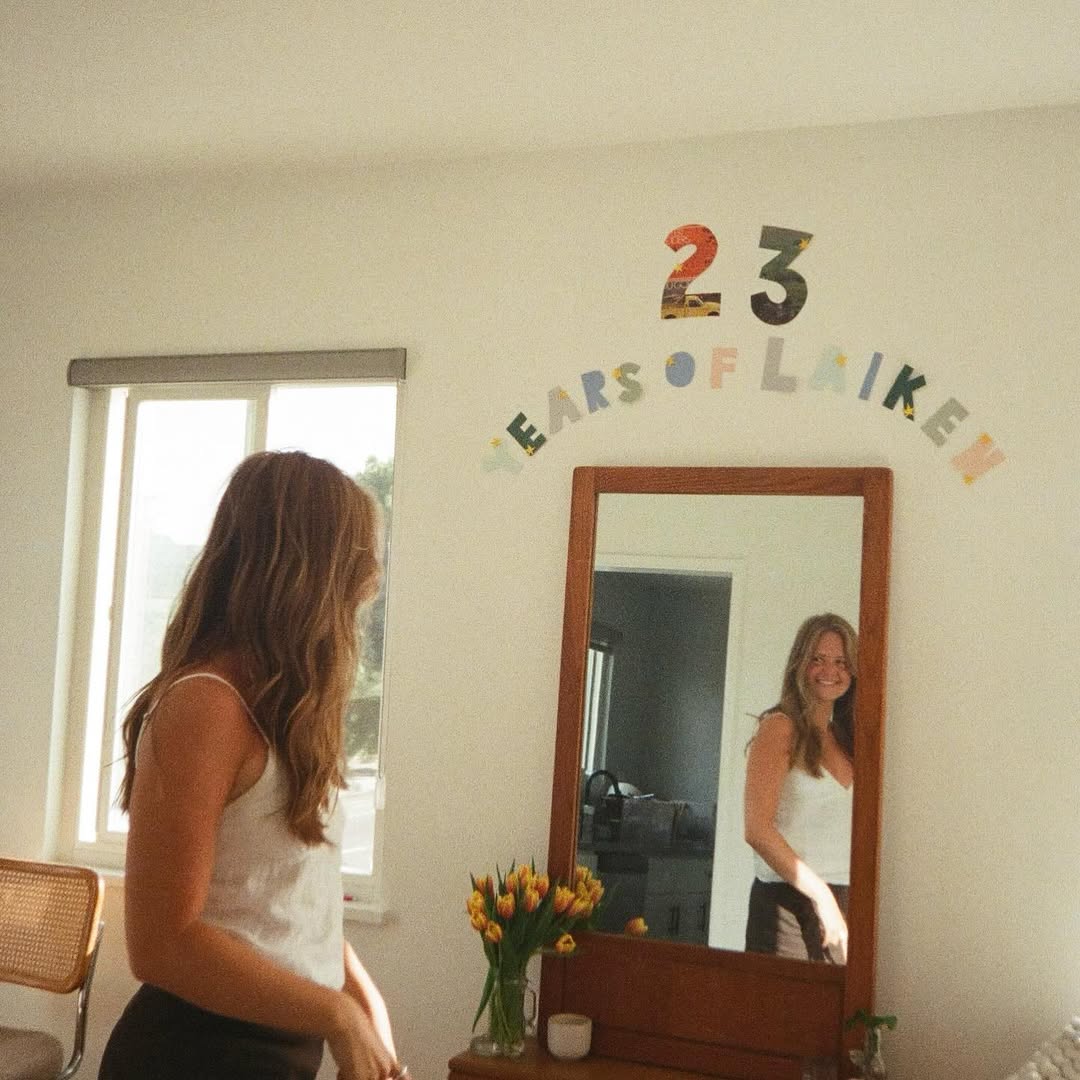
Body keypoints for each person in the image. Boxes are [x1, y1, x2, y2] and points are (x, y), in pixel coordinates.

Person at [99, 450, 405, 1080]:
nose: (372, 579)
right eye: (357, 559)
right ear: (304, 570)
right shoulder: (206, 706)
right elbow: (161, 944)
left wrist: (359, 1003)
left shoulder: (284, 712)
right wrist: (338, 1015)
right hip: (195, 1055)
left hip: (274, 1053)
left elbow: (280, 909)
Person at [743, 613, 857, 964]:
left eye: (841, 662)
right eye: (817, 659)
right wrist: (822, 898)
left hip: (846, 902)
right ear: (799, 663)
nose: (829, 671)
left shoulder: (846, 738)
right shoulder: (779, 728)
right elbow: (757, 830)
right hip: (788, 906)